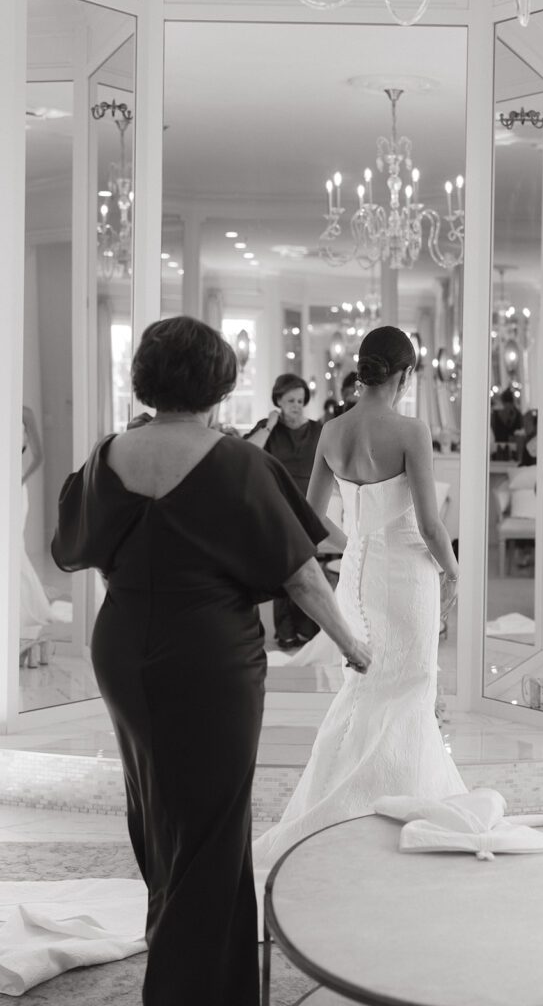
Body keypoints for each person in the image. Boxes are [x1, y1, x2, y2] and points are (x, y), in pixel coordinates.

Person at [51, 317, 371, 1006]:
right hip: (208, 658)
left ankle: (184, 955)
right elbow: (303, 576)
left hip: (125, 647)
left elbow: (70, 539)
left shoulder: (111, 453)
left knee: (159, 810)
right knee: (213, 825)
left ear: (147, 379)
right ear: (219, 383)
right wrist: (352, 644)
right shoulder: (236, 462)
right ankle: (189, 988)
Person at [252, 325, 466, 880]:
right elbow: (430, 522)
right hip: (407, 573)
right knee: (412, 683)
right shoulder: (410, 429)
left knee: (363, 684)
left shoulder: (331, 431)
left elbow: (309, 513)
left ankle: (338, 802)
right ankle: (401, 804)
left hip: (359, 577)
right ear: (403, 374)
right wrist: (454, 571)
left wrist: (355, 543)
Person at [245, 373, 323, 648]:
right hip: (275, 508)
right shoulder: (268, 429)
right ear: (278, 400)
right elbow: (245, 454)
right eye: (290, 400)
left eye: (300, 400)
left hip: (308, 507)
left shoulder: (317, 430)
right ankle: (286, 632)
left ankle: (308, 629)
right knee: (282, 570)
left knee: (308, 570)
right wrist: (269, 425)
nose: (296, 405)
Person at [21, 405, 54, 641]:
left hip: (14, 488)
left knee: (14, 546)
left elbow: (39, 456)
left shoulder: (25, 413)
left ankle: (22, 608)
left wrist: (19, 479)